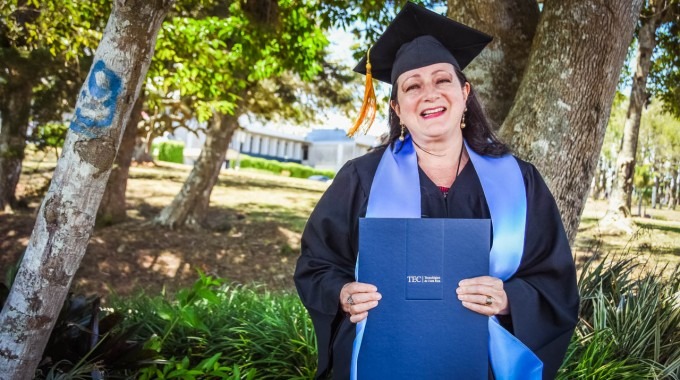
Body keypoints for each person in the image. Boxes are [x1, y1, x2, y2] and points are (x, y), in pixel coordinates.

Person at [294, 3, 579, 379]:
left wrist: (511, 300)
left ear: (464, 92)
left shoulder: (520, 181)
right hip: (382, 361)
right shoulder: (361, 178)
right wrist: (343, 294)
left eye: (442, 80)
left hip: (486, 365)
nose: (429, 93)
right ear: (397, 106)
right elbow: (317, 266)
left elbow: (553, 281)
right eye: (412, 85)